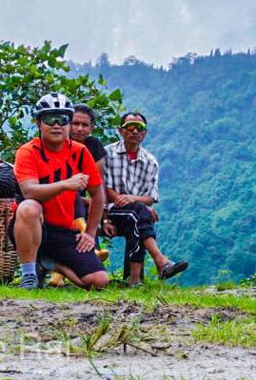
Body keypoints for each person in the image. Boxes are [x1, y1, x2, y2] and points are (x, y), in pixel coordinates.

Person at [11, 93, 109, 290]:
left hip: (65, 231)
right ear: (39, 123)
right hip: (33, 225)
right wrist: (66, 184)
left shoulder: (80, 152)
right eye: (49, 119)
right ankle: (29, 274)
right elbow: (29, 191)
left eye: (63, 119)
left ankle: (52, 264)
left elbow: (98, 195)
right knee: (29, 207)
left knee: (98, 282)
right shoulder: (28, 151)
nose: (56, 124)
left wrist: (90, 234)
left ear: (69, 123)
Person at [101, 111, 188, 286]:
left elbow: (151, 197)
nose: (135, 131)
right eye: (130, 127)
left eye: (139, 128)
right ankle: (159, 263)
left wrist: (133, 200)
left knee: (139, 215)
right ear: (121, 131)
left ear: (145, 133)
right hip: (110, 209)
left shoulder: (150, 161)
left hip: (134, 211)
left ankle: (135, 279)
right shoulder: (107, 154)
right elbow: (105, 188)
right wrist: (133, 203)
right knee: (142, 213)